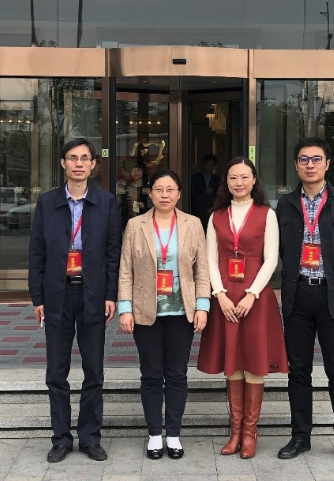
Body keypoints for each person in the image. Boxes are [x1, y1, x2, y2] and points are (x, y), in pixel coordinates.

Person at [275, 137, 334, 466]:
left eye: (316, 159)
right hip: (298, 295)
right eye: (304, 159)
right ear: (296, 165)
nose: (310, 165)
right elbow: (281, 249)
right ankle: (300, 436)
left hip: (332, 295)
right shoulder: (285, 205)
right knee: (298, 371)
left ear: (327, 164)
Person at [28, 138, 122, 464]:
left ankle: (90, 438)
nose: (79, 163)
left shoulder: (106, 202)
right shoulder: (47, 202)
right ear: (63, 163)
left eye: (84, 158)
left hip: (93, 293)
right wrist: (37, 297)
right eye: (73, 158)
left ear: (94, 164)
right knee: (56, 371)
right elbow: (37, 252)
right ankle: (61, 439)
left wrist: (111, 294)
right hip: (57, 294)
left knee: (94, 370)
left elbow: (114, 253)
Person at [197, 157, 287, 460]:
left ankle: (250, 432)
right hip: (224, 297)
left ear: (254, 180)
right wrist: (219, 295)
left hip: (256, 298)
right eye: (233, 177)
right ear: (226, 182)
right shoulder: (216, 216)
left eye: (244, 177)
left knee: (254, 362)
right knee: (233, 363)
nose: (239, 182)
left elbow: (271, 259)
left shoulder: (266, 214)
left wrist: (251, 294)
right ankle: (235, 432)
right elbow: (210, 259)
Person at [117, 170, 211, 460]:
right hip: (146, 312)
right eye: (159, 189)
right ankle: (155, 435)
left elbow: (202, 269)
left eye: (171, 189)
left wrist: (203, 306)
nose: (165, 195)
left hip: (182, 311)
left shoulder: (193, 224)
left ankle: (174, 434)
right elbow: (126, 269)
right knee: (151, 375)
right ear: (150, 193)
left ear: (179, 194)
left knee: (177, 374)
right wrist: (125, 308)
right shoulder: (135, 225)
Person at [189, 153, 219, 226]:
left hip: (212, 211)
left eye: (211, 165)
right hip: (197, 210)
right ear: (203, 165)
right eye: (207, 165)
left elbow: (219, 196)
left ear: (215, 166)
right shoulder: (195, 178)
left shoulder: (218, 180)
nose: (209, 168)